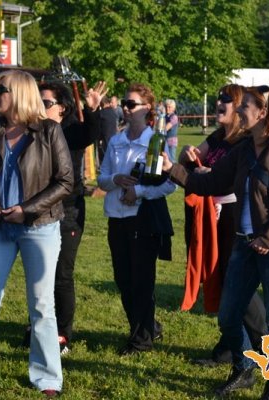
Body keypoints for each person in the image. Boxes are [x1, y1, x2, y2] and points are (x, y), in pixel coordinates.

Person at [162, 85, 269, 400]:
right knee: (228, 315)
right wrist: (172, 169)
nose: (240, 109)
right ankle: (244, 367)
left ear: (263, 112)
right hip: (244, 245)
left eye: (246, 106)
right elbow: (212, 182)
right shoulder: (244, 148)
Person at [0, 70, 74, 397]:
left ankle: (48, 377)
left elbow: (65, 182)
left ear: (19, 93)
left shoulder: (49, 130)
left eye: (1, 89)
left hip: (39, 227)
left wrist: (26, 209)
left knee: (41, 305)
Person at [178, 84, 267, 367]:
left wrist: (210, 174)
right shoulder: (217, 137)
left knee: (236, 283)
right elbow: (190, 165)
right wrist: (186, 155)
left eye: (227, 99)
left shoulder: (244, 141)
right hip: (210, 216)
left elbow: (234, 180)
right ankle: (232, 346)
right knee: (225, 282)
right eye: (219, 97)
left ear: (239, 105)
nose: (220, 102)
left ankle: (262, 342)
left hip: (233, 216)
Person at [20, 80, 105, 355]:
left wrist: (92, 109)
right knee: (38, 274)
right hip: (38, 212)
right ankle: (37, 327)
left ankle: (61, 334)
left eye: (45, 103)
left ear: (62, 108)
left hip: (68, 213)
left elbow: (92, 132)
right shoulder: (32, 130)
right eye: (37, 101)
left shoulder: (72, 132)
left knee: (61, 275)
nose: (39, 107)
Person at [97, 83, 177, 356]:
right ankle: (148, 326)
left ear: (147, 109)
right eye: (124, 103)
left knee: (141, 282)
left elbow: (170, 184)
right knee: (123, 280)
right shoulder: (116, 141)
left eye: (131, 104)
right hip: (116, 217)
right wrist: (116, 179)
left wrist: (139, 191)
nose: (126, 108)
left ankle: (141, 340)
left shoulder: (155, 142)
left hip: (142, 220)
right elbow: (102, 178)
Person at [98, 95, 118, 164]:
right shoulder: (113, 111)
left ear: (102, 103)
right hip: (113, 137)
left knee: (105, 159)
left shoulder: (101, 113)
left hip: (105, 139)